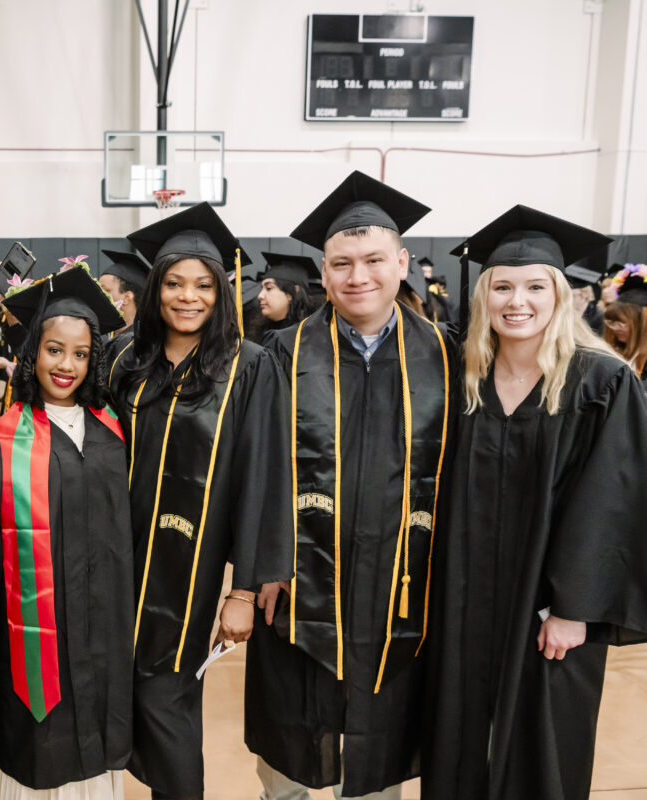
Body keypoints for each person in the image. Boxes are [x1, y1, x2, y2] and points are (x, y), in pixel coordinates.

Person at [423, 206, 647, 800]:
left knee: (545, 740)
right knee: (457, 731)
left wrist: (575, 606)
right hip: (463, 595)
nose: (515, 301)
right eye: (501, 286)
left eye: (533, 287)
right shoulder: (461, 376)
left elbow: (614, 500)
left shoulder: (602, 382)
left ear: (561, 295)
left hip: (549, 604)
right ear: (483, 297)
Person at [245, 171, 454, 800]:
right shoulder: (279, 354)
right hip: (299, 583)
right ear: (324, 271)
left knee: (377, 747)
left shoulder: (449, 356)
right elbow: (257, 469)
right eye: (341, 263)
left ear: (402, 262)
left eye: (372, 260)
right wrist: (262, 568)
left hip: (399, 586)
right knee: (289, 752)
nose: (357, 276)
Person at [107, 202, 293, 800]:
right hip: (112, 563)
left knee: (169, 700)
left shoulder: (249, 367)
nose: (188, 297)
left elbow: (263, 475)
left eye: (204, 285)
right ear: (155, 288)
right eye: (175, 283)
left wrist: (242, 591)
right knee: (119, 696)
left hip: (189, 575)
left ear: (220, 291)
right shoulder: (124, 361)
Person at [0, 267, 135, 799]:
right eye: (53, 349)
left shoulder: (114, 427)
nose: (66, 365)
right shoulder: (3, 436)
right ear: (32, 353)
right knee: (38, 751)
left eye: (80, 353)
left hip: (103, 623)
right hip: (34, 631)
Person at [246, 251, 321, 343]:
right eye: (262, 288)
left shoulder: (312, 336)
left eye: (269, 288)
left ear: (292, 292)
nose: (260, 295)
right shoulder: (258, 334)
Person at [602, 265, 647, 383]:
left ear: (641, 323)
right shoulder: (612, 352)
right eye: (611, 322)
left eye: (621, 323)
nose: (615, 328)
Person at [99, 249, 151, 336]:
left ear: (127, 297)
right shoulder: (105, 339)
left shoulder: (143, 342)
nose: (98, 296)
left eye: (105, 291)